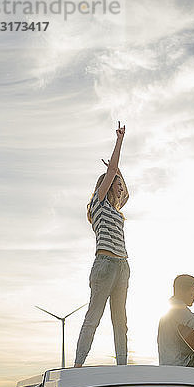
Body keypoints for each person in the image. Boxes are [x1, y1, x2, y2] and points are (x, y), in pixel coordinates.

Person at [74, 122, 130, 367]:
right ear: (104, 186)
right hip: (105, 264)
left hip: (122, 265)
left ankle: (122, 365)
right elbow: (113, 172)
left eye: (119, 185)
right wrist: (119, 142)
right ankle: (78, 364)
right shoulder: (98, 204)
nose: (119, 188)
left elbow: (126, 192)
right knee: (93, 317)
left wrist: (120, 174)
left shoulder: (117, 211)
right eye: (115, 184)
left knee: (121, 321)